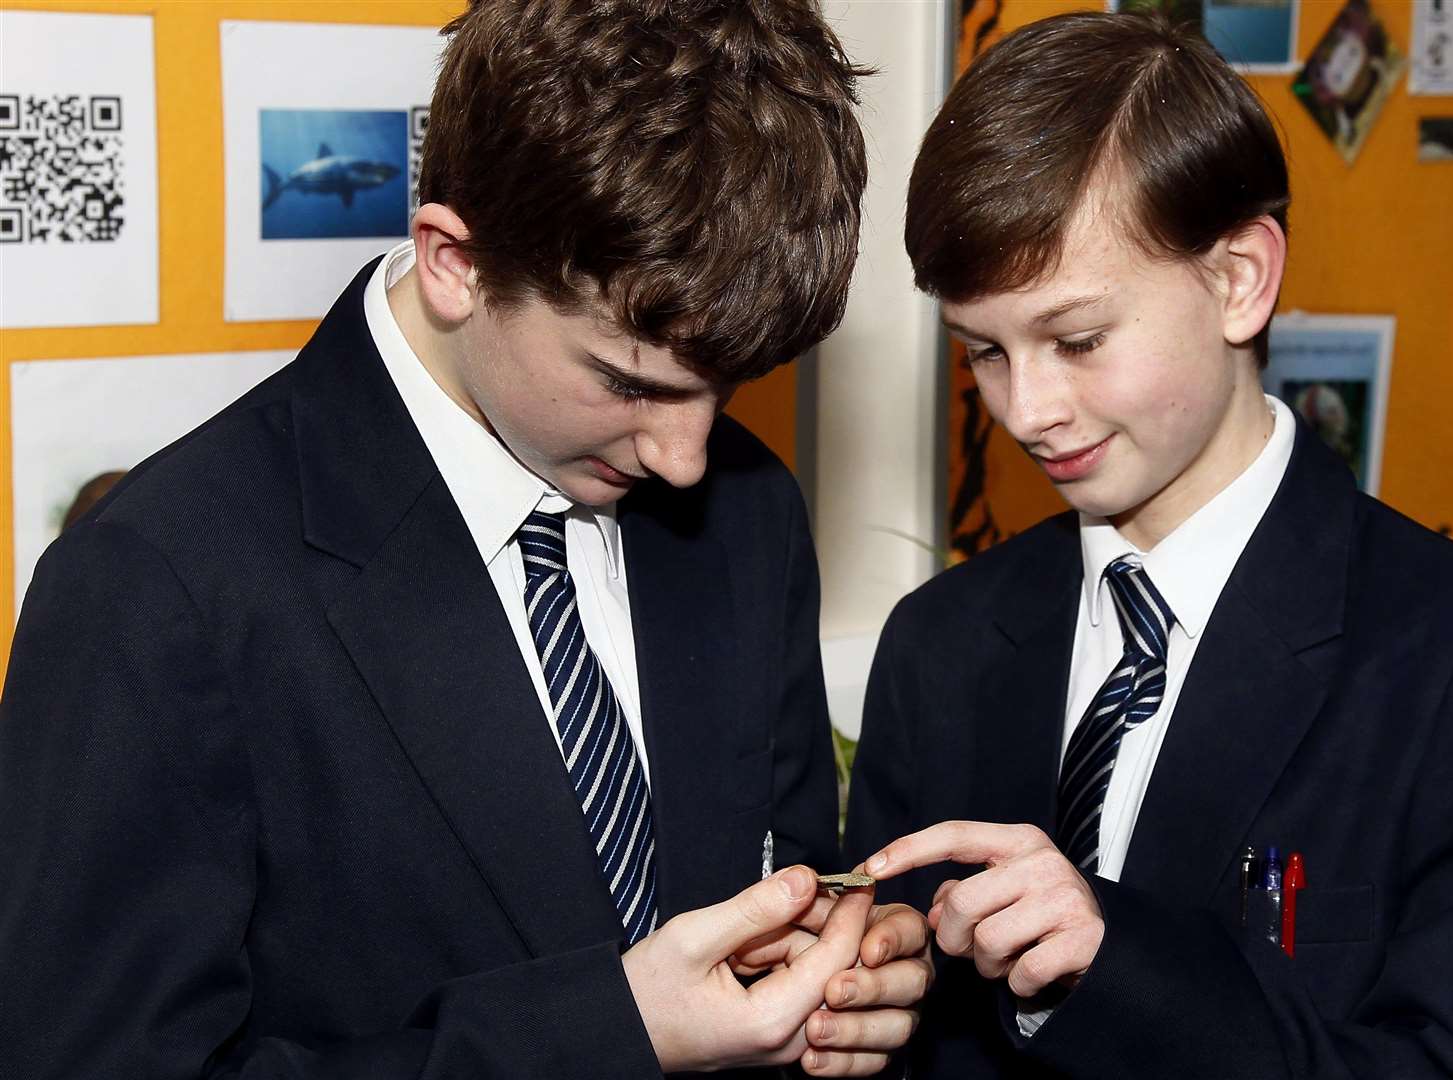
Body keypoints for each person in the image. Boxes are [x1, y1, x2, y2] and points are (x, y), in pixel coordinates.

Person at [0, 1, 930, 1076]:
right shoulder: (154, 586)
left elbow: (786, 872)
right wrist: (609, 1032)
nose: (683, 457)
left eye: (726, 387)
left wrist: (829, 983)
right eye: (628, 380)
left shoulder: (745, 508)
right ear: (453, 261)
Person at [843, 11, 1453, 1079]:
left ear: (1239, 278)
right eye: (983, 354)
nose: (1027, 411)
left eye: (1076, 340)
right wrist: (851, 1018)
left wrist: (1117, 969)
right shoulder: (940, 646)